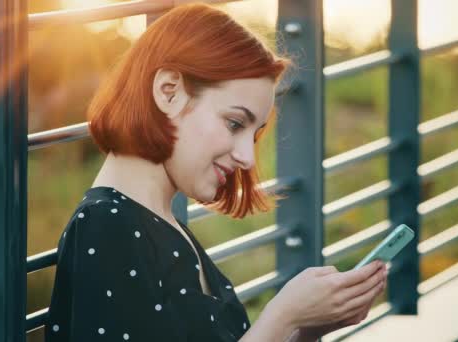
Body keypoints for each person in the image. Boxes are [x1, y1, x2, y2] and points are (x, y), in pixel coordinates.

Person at [45, 3, 388, 342]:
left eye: (253, 135)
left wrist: (307, 330)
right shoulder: (108, 226)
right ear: (169, 92)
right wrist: (282, 317)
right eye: (235, 123)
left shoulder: (158, 225)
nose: (247, 158)